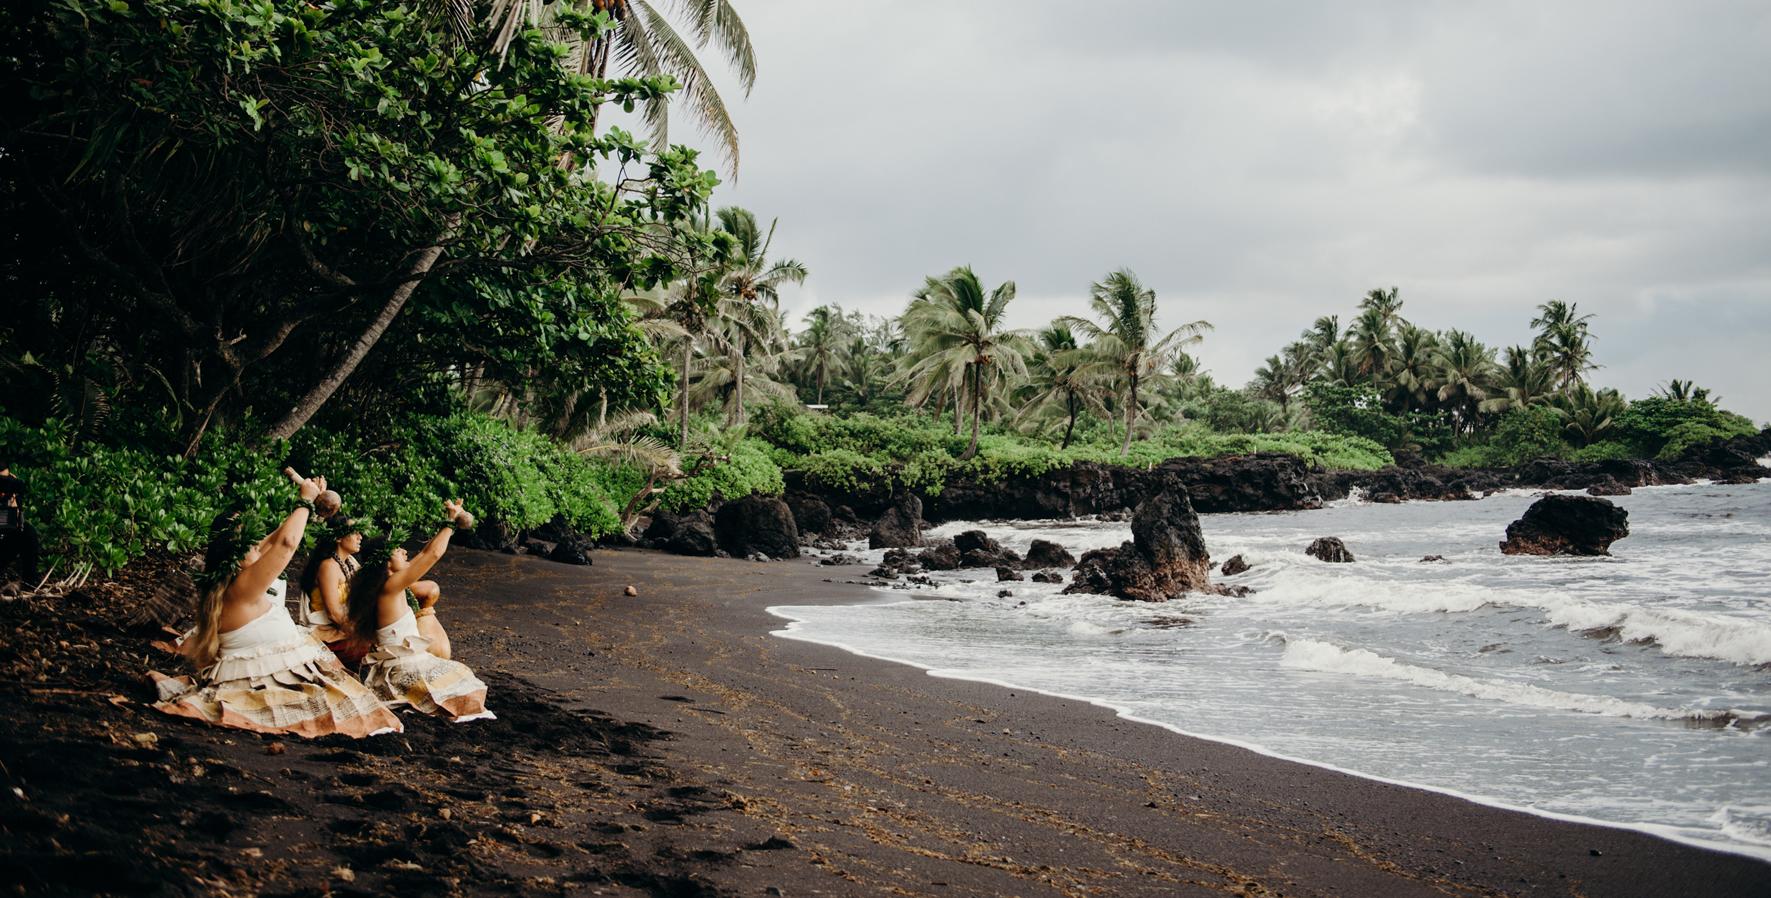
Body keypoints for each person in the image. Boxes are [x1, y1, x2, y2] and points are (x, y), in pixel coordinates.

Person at [151, 473, 402, 738]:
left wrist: (314, 508)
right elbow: (286, 543)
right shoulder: (241, 586)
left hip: (283, 666)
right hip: (264, 677)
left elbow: (277, 537)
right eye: (249, 542)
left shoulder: (235, 574)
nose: (258, 545)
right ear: (236, 555)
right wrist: (304, 501)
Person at [349, 500, 492, 722]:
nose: (404, 552)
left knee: (462, 677)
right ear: (386, 562)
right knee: (463, 682)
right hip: (402, 669)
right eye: (398, 550)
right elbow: (431, 556)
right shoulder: (389, 587)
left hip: (402, 663)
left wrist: (450, 516)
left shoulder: (387, 583)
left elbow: (425, 552)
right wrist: (451, 524)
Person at [296, 516, 372, 667]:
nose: (360, 536)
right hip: (327, 632)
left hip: (344, 628)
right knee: (372, 647)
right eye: (354, 532)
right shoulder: (328, 566)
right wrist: (362, 634)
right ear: (338, 538)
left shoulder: (349, 562)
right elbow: (334, 613)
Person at [0, 467, 42, 586]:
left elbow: (14, 525)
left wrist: (12, 498)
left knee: (28, 532)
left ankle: (29, 583)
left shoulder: (9, 495)